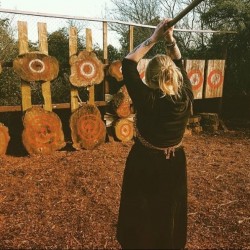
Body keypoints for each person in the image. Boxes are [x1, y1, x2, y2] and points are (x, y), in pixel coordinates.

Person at [116, 18, 194, 249]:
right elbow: (180, 62)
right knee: (167, 213)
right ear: (176, 76)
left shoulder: (146, 98)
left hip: (145, 162)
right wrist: (170, 40)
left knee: (141, 216)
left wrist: (155, 37)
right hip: (174, 163)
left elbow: (128, 63)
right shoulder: (186, 95)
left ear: (149, 78)